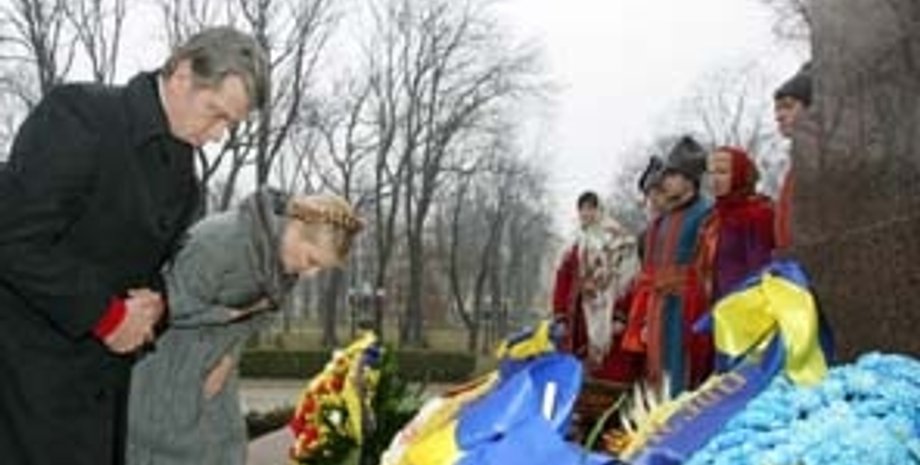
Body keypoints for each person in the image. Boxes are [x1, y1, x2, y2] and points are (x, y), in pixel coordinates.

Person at [0, 27, 268, 465]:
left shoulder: (185, 182)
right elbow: (11, 238)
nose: (219, 134)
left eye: (230, 124)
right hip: (24, 389)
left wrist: (156, 307)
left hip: (102, 401)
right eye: (215, 113)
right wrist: (105, 316)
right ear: (183, 75)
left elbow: (155, 278)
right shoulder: (80, 115)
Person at [127, 189, 362, 465]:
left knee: (226, 451)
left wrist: (228, 359)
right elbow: (166, 304)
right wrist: (232, 313)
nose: (310, 274)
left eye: (320, 268)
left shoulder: (281, 268)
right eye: (312, 261)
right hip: (163, 365)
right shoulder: (219, 243)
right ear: (296, 227)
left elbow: (253, 322)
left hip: (213, 369)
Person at [622, 136, 713, 397]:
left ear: (689, 179)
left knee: (682, 373)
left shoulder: (706, 214)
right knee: (656, 374)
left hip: (688, 308)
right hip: (659, 307)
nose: (665, 182)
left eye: (672, 175)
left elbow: (708, 266)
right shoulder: (663, 221)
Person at [552, 192, 639, 384]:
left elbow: (628, 281)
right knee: (576, 366)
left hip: (606, 314)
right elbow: (562, 279)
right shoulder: (573, 244)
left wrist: (621, 314)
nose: (586, 213)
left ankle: (605, 398)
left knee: (606, 369)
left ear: (600, 209)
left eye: (591, 208)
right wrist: (560, 315)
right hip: (577, 317)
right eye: (582, 209)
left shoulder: (620, 241)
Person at [700, 146, 775, 301]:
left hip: (745, 305)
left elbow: (761, 269)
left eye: (722, 172)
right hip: (716, 306)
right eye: (711, 173)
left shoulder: (756, 215)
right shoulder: (714, 218)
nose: (714, 179)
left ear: (739, 174)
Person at [773, 62, 812, 252]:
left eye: (788, 106)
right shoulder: (794, 167)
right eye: (777, 109)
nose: (778, 116)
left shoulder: (822, 163)